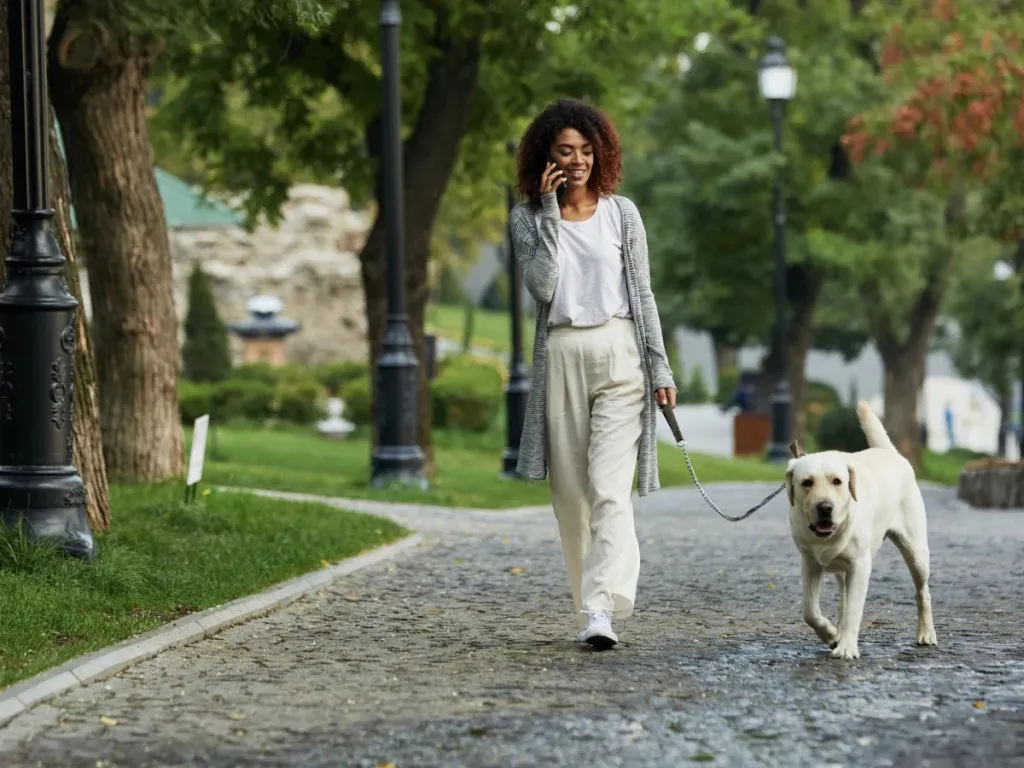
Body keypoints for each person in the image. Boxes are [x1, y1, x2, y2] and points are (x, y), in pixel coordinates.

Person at [509, 97, 677, 650]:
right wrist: (551, 212)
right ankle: (588, 603)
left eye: (586, 150)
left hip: (620, 352)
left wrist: (660, 365)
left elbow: (643, 293)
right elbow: (541, 288)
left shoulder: (622, 213)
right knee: (572, 495)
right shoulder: (528, 219)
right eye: (565, 151)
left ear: (599, 153)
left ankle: (602, 609)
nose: (578, 160)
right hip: (561, 353)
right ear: (545, 157)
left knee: (609, 487)